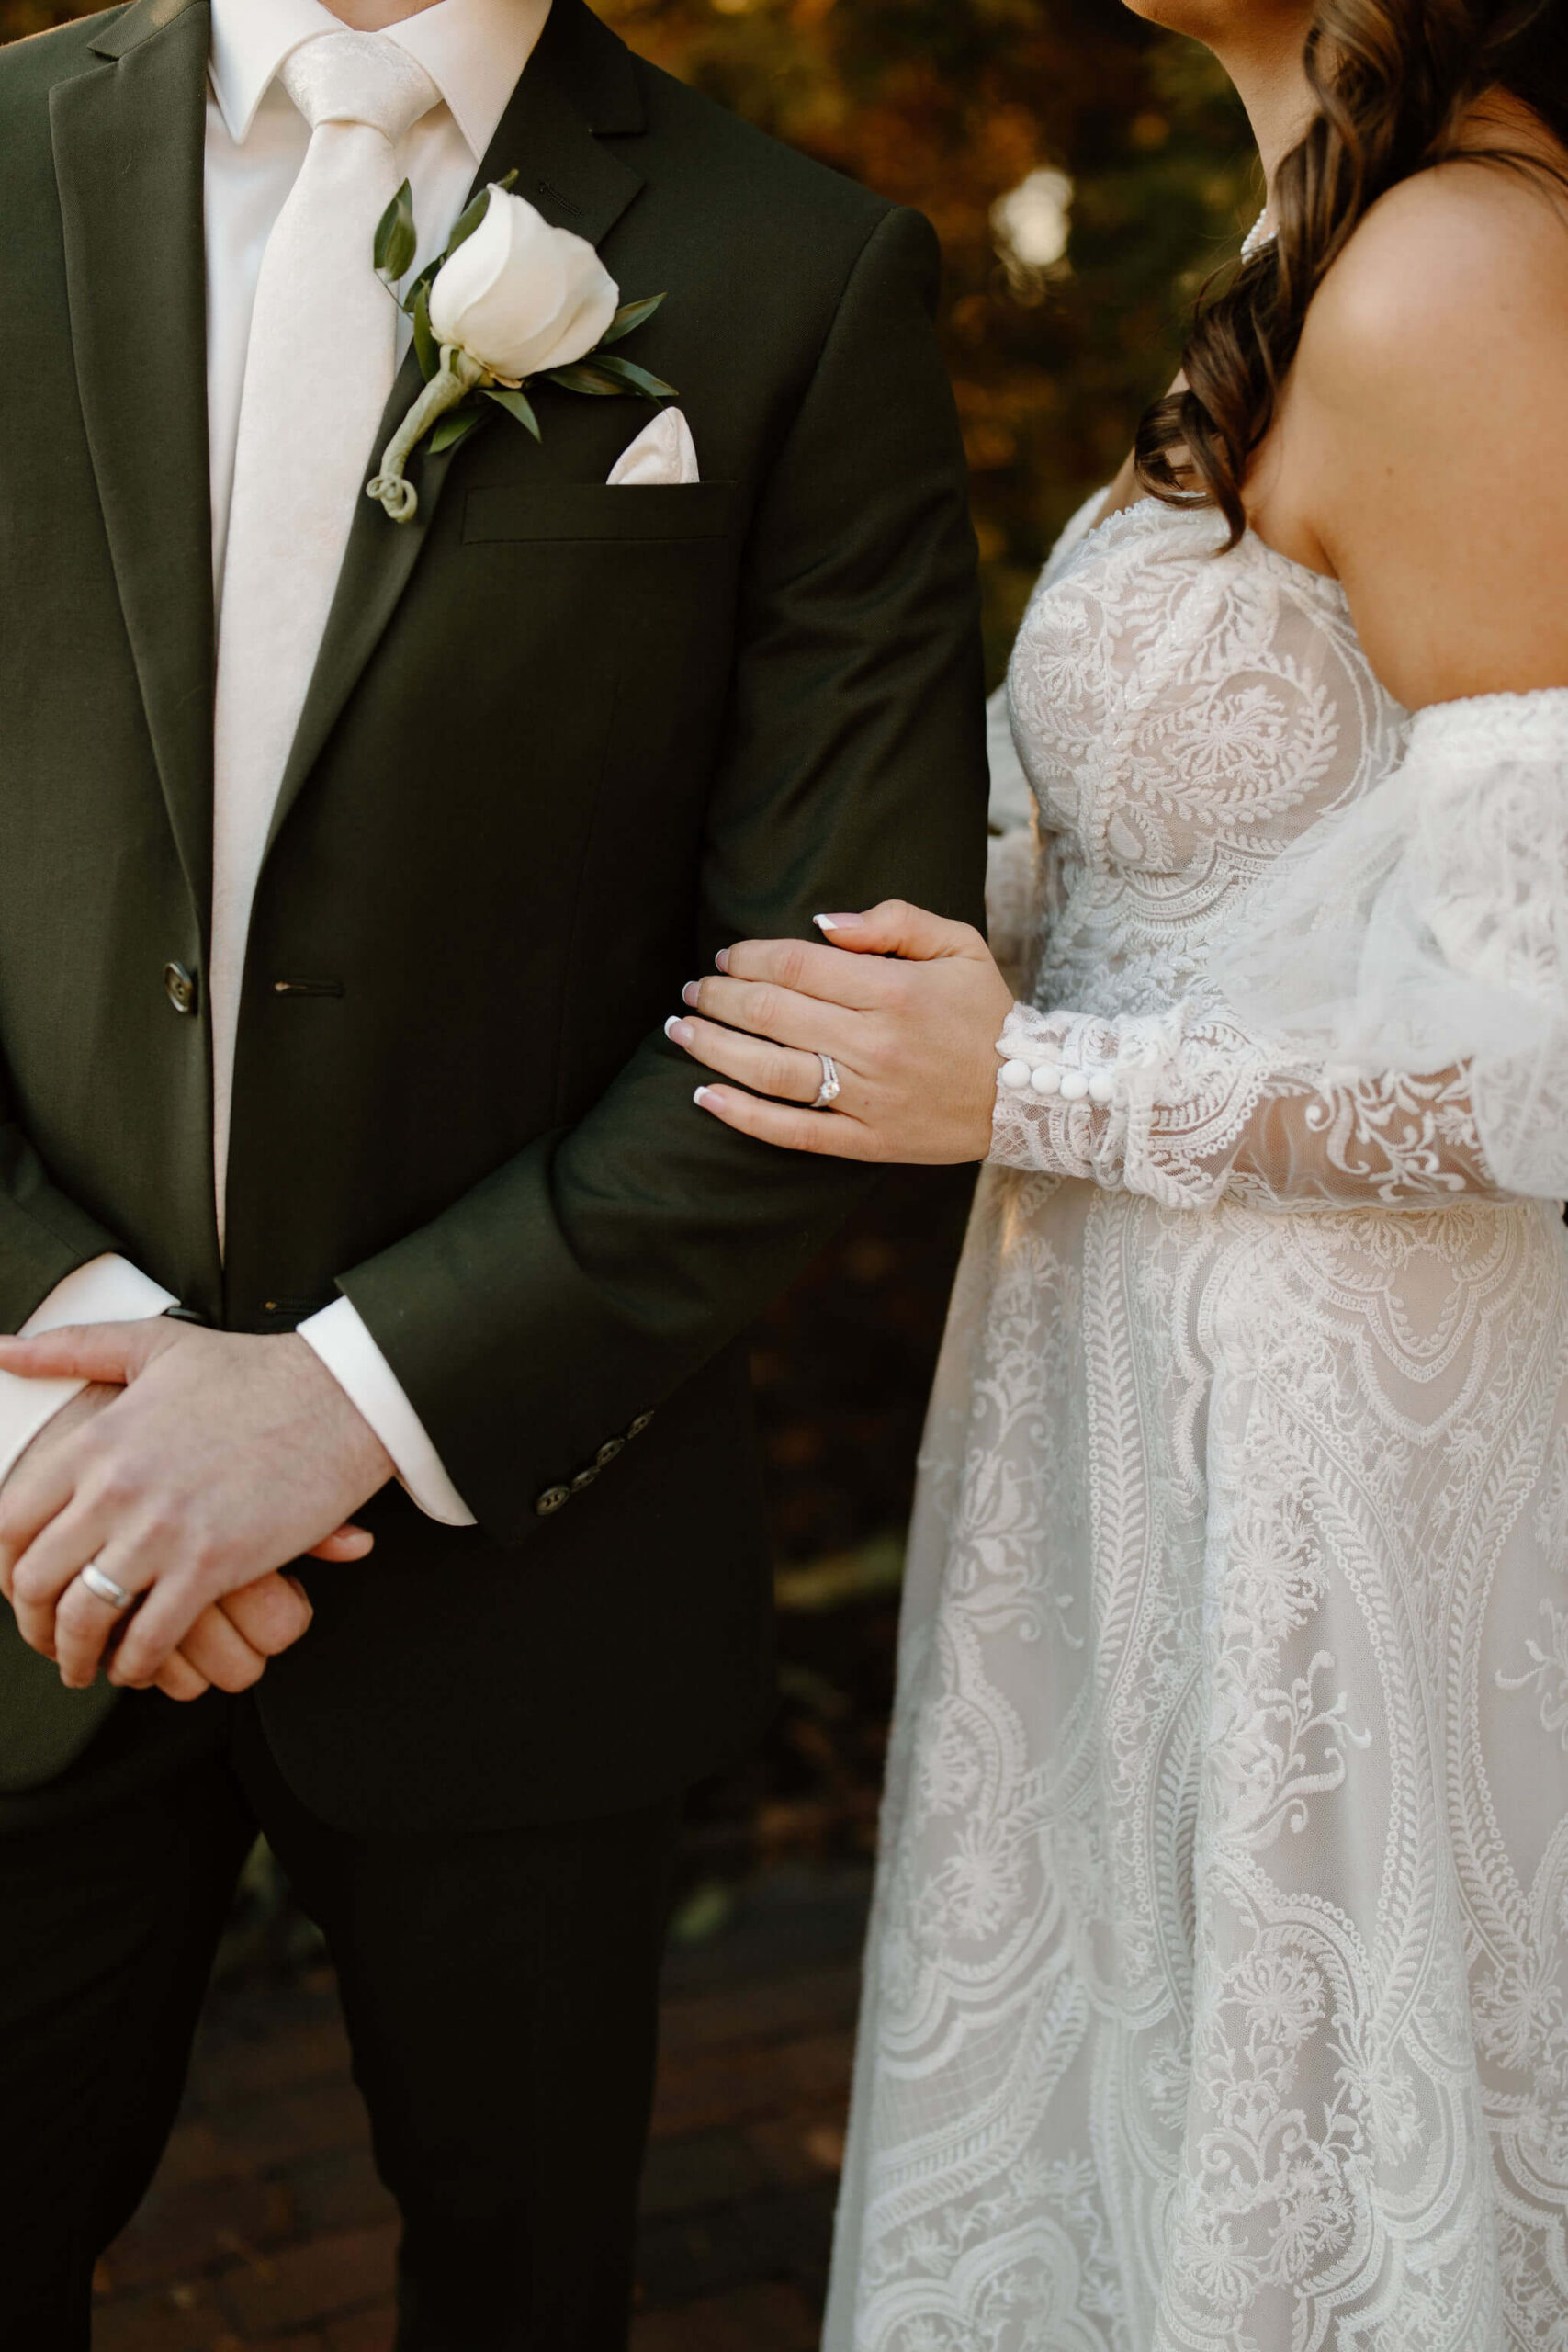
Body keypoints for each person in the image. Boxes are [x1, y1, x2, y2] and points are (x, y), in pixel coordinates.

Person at [0, 0, 988, 2337]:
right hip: (27, 1518)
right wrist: (84, 1379)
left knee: (522, 2286)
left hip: (529, 1540)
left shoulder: (794, 267)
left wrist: (343, 1397)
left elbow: (821, 1004)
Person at [664, 0, 1568, 2340]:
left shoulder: (1458, 266)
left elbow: (1546, 1059)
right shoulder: (1322, 239)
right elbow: (1205, 862)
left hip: (1346, 1430)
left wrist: (1033, 1087)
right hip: (1134, 1378)